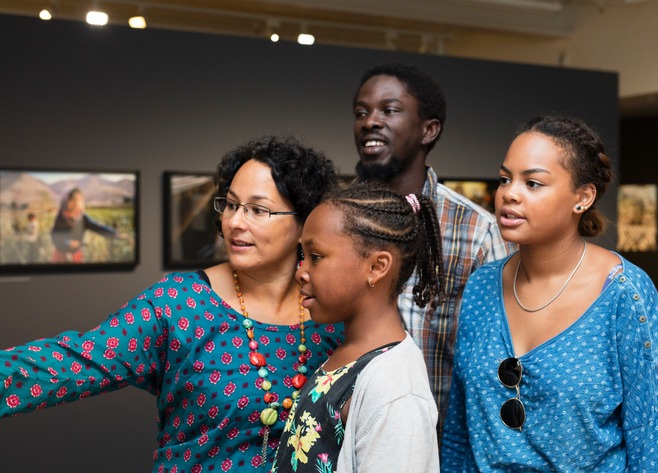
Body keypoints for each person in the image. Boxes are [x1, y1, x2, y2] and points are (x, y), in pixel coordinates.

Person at [1, 135, 344, 472]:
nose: (235, 222)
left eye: (257, 210)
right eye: (231, 204)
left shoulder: (332, 315)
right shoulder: (179, 304)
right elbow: (75, 360)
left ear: (305, 222)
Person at [440, 113, 658, 471]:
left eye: (533, 183)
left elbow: (656, 441)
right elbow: (459, 431)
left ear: (583, 197)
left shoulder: (625, 296)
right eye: (505, 179)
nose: (509, 193)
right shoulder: (481, 286)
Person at [352, 61, 516, 435]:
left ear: (429, 129)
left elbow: (497, 356)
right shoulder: (335, 220)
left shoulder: (476, 230)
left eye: (389, 110)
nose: (370, 122)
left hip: (439, 443)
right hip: (348, 438)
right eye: (361, 112)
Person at [271, 182, 444, 473]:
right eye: (302, 256)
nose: (300, 271)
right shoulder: (349, 353)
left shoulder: (395, 389)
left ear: (376, 267)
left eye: (316, 257)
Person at [50, 187, 132, 263]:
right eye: (74, 199)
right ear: (68, 201)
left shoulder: (82, 217)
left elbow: (98, 228)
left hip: (75, 255)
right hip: (61, 255)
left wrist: (116, 234)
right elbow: (54, 236)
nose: (76, 202)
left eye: (79, 200)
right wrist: (67, 242)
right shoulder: (62, 216)